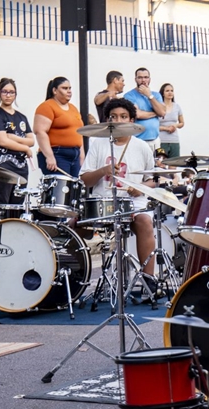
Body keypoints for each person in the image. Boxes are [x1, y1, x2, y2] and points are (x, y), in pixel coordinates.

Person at [79, 98, 159, 280]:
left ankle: (148, 279)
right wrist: (102, 171)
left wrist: (140, 188)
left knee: (145, 221)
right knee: (74, 224)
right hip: (103, 202)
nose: (118, 120)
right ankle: (76, 278)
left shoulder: (142, 147)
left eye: (124, 116)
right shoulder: (97, 144)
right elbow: (85, 180)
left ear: (132, 121)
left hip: (133, 202)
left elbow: (152, 180)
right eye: (113, 116)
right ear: (108, 120)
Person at [0, 77, 35, 224]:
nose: (8, 95)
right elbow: (2, 141)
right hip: (4, 165)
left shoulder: (21, 117)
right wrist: (24, 147)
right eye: (5, 92)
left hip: (21, 167)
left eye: (12, 92)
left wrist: (13, 137)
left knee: (17, 204)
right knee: (1, 201)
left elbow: (32, 140)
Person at [33, 77, 85, 176]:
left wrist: (82, 157)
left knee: (74, 189)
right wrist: (50, 156)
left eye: (70, 88)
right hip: (58, 154)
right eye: (65, 88)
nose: (69, 91)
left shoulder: (73, 108)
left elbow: (79, 133)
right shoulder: (47, 106)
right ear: (55, 90)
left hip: (75, 154)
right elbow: (40, 131)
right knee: (61, 189)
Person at [123, 67, 166, 155]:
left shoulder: (156, 95)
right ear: (135, 79)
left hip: (155, 141)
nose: (143, 80)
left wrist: (149, 95)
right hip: (138, 140)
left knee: (155, 166)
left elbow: (162, 112)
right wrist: (156, 113)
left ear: (150, 79)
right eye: (140, 77)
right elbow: (138, 114)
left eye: (146, 77)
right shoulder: (129, 95)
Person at [157, 83, 184, 158]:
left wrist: (175, 125)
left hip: (174, 140)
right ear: (162, 93)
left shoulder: (177, 106)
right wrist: (166, 128)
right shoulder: (158, 106)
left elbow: (182, 123)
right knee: (161, 164)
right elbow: (154, 125)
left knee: (174, 164)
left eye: (172, 90)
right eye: (167, 91)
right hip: (161, 140)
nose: (170, 92)